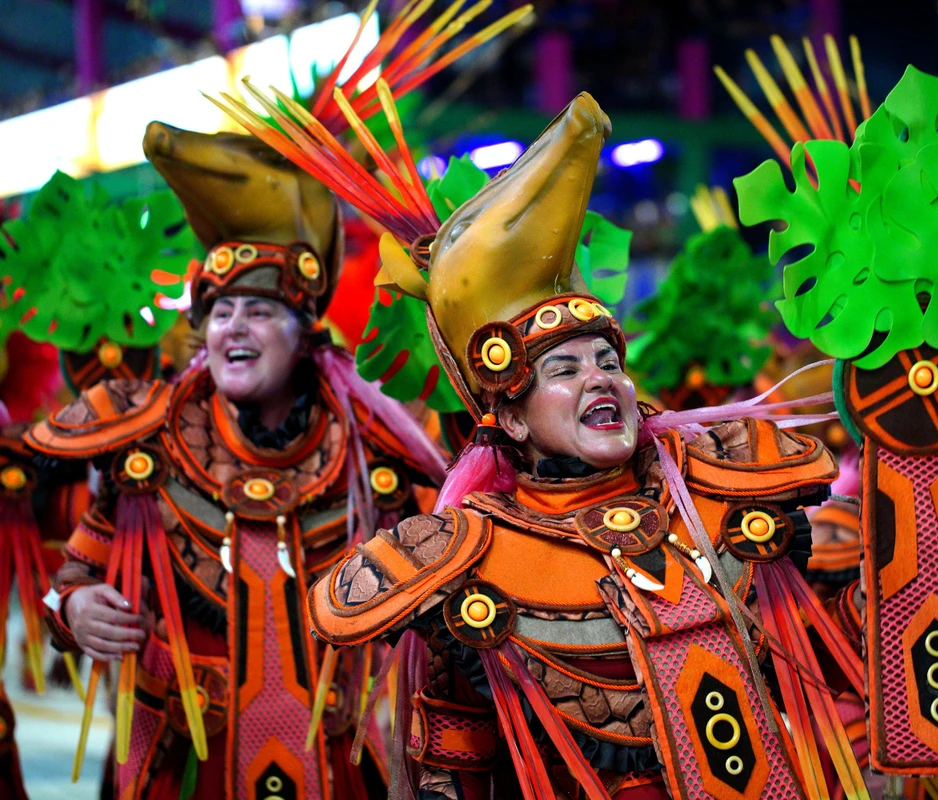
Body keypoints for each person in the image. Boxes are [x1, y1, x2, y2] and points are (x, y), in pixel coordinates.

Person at [242, 87, 866, 799]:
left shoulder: (724, 492)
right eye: (564, 370)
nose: (600, 380)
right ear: (509, 418)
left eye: (608, 362)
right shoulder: (464, 561)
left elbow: (830, 658)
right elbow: (455, 763)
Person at [25, 120, 448, 800]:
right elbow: (70, 578)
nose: (233, 328)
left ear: (305, 334)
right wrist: (75, 609)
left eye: (259, 310)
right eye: (220, 313)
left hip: (336, 774)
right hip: (183, 773)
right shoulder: (154, 447)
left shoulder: (374, 452)